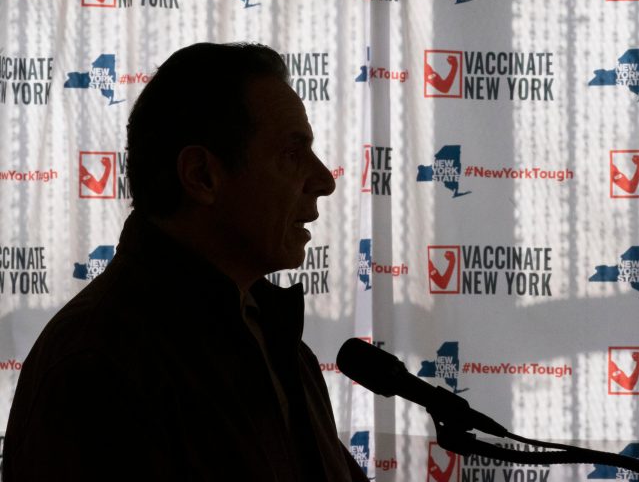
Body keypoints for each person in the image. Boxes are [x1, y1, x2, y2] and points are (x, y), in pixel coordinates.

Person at [2, 42, 367, 482]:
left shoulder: (272, 335)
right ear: (201, 176)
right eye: (292, 153)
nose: (325, 180)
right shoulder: (95, 366)